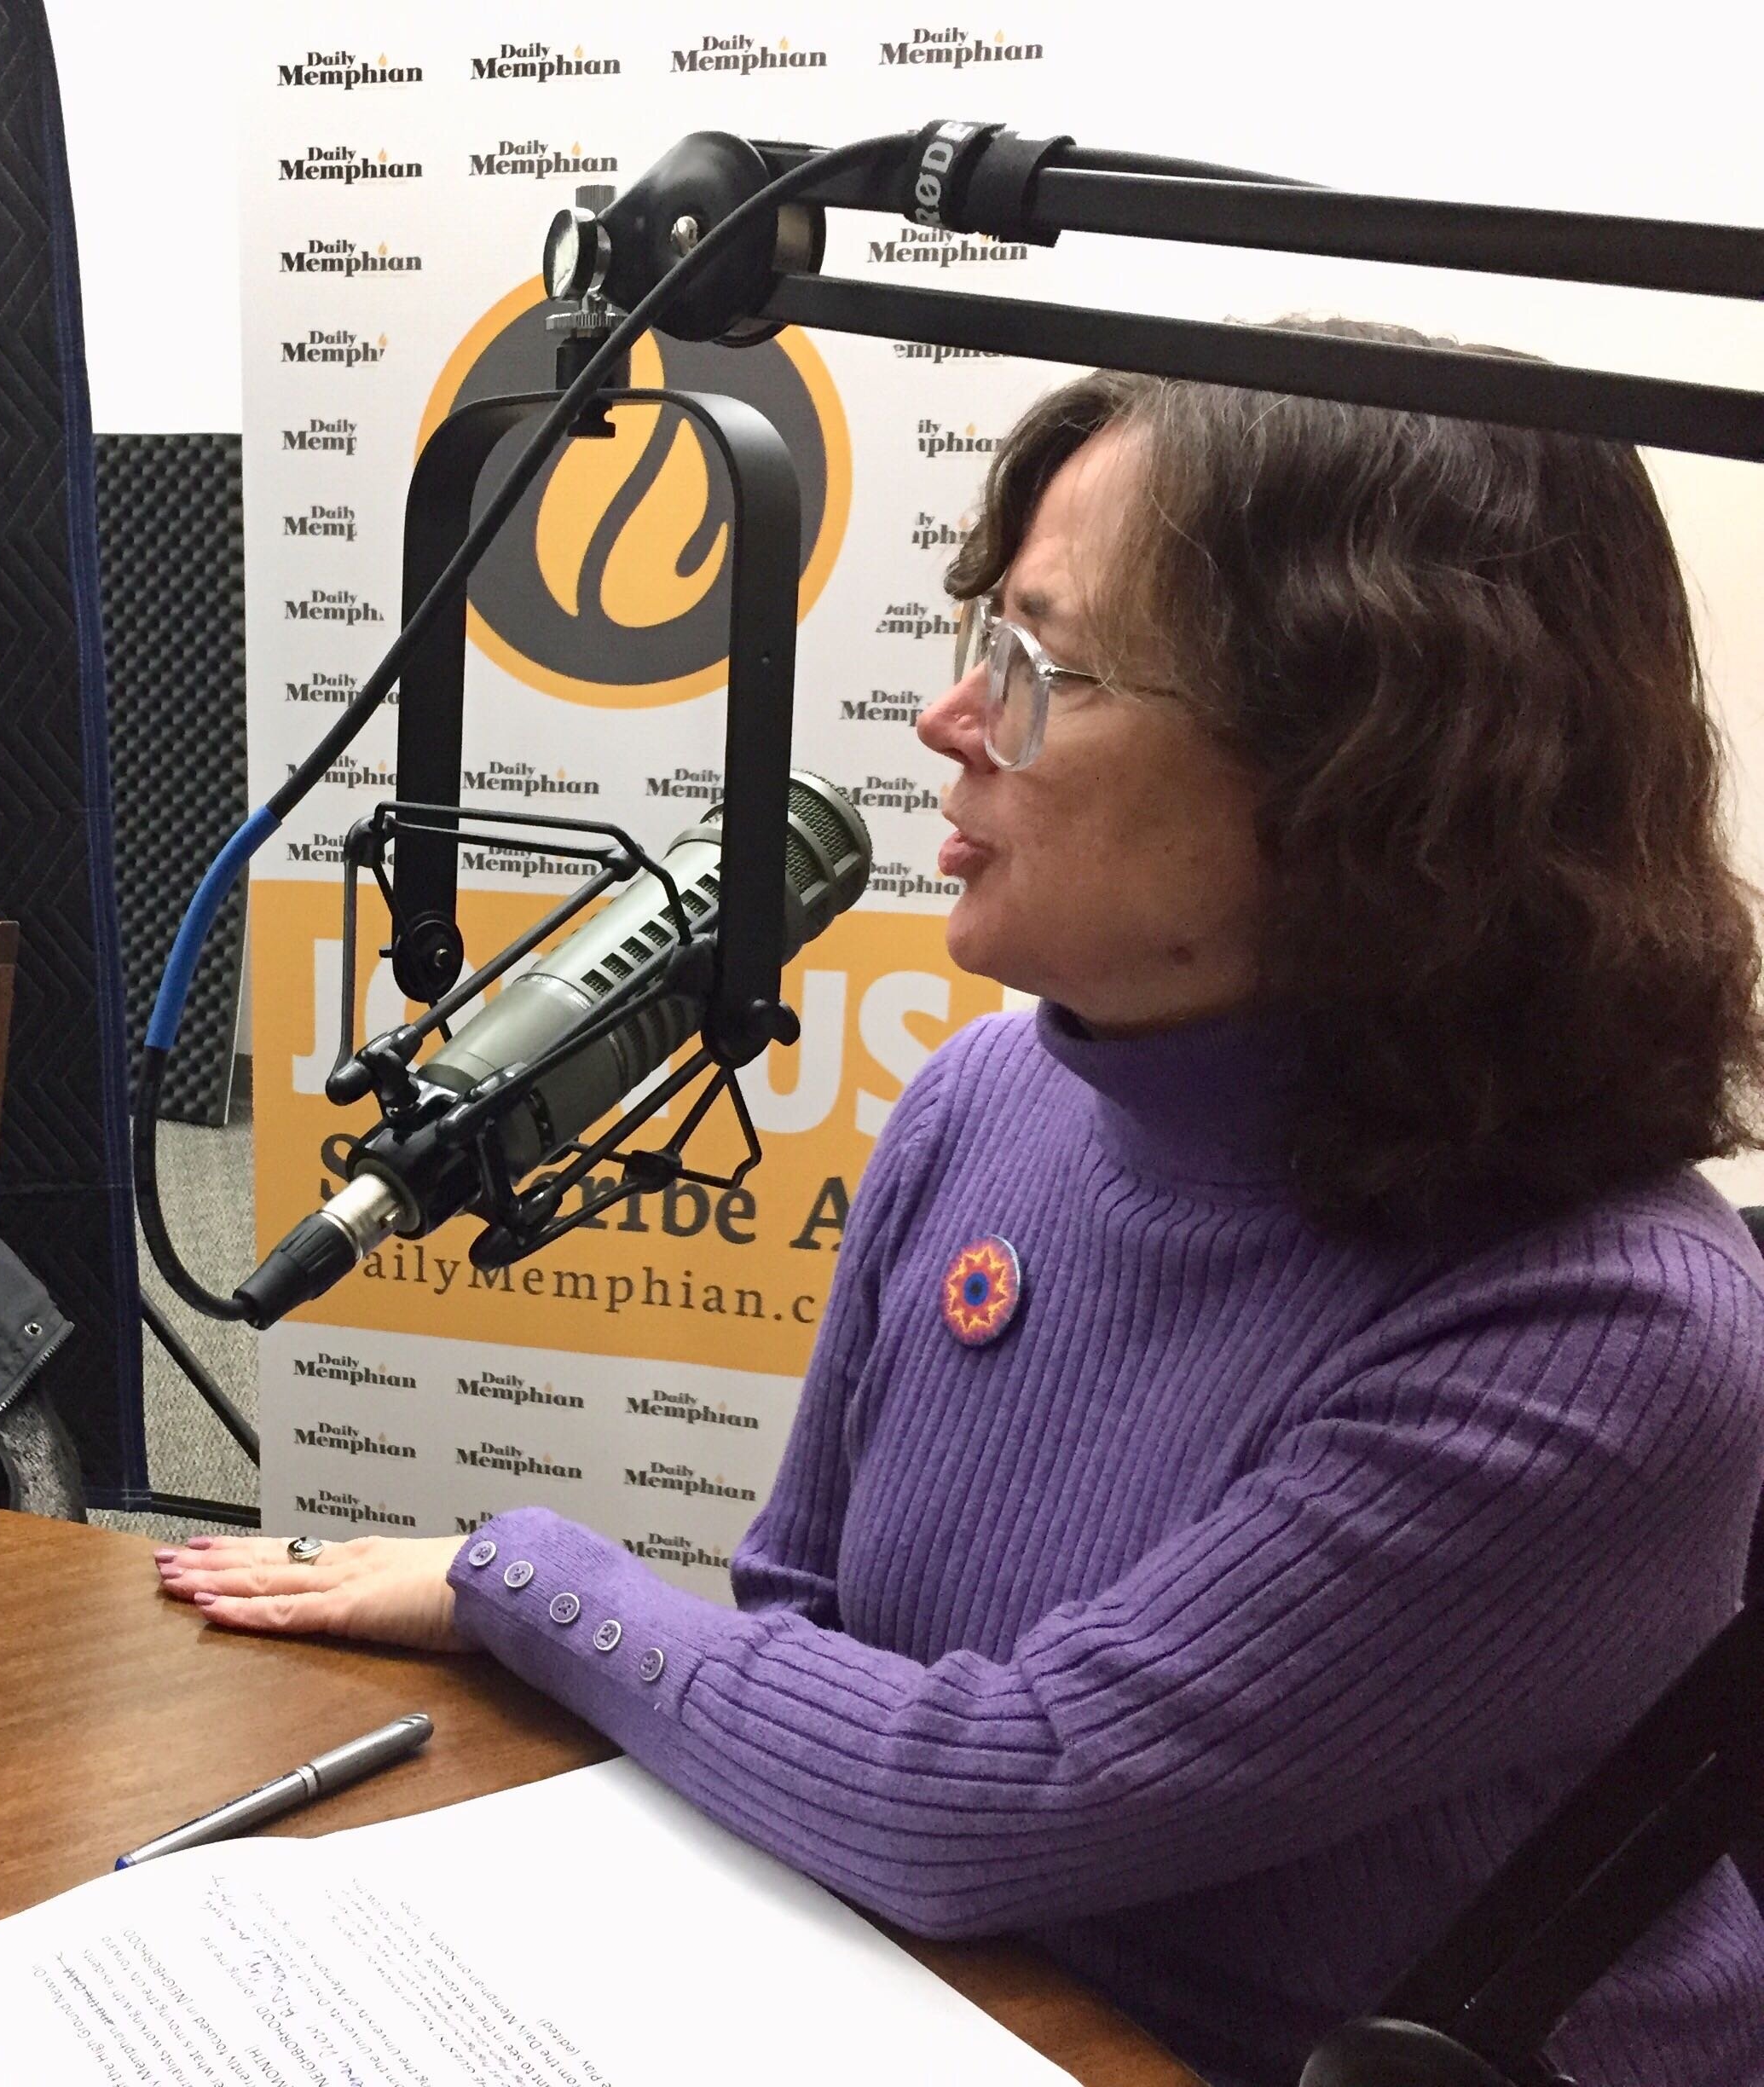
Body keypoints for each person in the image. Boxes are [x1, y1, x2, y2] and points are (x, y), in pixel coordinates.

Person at [156, 321, 1764, 2084]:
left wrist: (514, 1575)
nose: (945, 716)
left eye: (1039, 663)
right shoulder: (988, 1099)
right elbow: (798, 1612)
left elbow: (983, 1795)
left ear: (1365, 765)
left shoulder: (1604, 1335)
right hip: (943, 2010)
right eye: (980, 635)